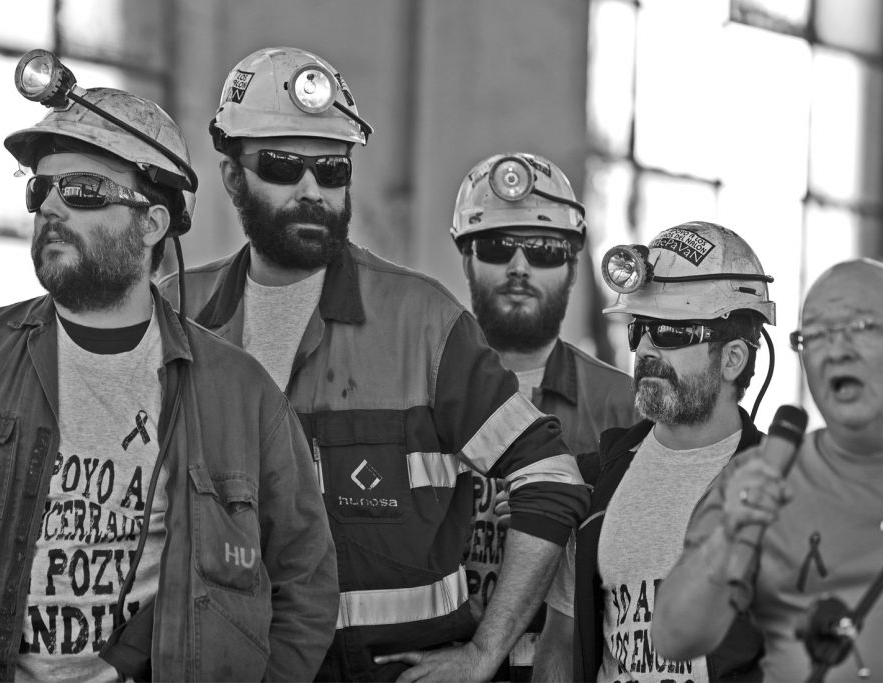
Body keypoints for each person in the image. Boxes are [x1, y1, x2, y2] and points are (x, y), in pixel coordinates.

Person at [158, 47, 590, 683]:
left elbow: (550, 476)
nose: (312, 190)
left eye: (333, 169)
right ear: (231, 176)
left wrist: (484, 653)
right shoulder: (177, 314)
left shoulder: (422, 319)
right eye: (282, 166)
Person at [0, 56, 337, 682]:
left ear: (153, 223)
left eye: (82, 190)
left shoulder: (240, 394)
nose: (50, 207)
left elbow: (304, 585)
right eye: (40, 189)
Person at [652, 258, 883, 681]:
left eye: (862, 327)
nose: (836, 350)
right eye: (815, 335)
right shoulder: (760, 477)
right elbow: (674, 639)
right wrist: (728, 536)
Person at [534, 221, 775, 682]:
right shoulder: (593, 483)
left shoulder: (785, 492)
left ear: (732, 359)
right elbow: (560, 640)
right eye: (639, 328)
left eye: (669, 331)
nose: (645, 347)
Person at [451, 152, 636, 681]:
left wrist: (576, 515)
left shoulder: (622, 405)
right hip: (442, 661)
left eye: (544, 250)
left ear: (573, 267)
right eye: (496, 247)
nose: (519, 267)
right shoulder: (420, 385)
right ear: (466, 260)